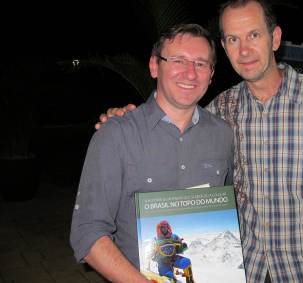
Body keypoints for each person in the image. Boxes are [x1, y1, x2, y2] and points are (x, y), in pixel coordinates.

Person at [98, 1, 303, 282]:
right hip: (245, 268)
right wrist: (126, 119)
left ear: (275, 38)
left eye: (253, 35)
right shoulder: (219, 111)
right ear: (224, 47)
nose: (245, 50)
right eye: (233, 39)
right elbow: (169, 123)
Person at [70, 23, 234, 283]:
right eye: (178, 60)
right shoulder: (116, 135)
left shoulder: (224, 135)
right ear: (154, 66)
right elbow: (87, 232)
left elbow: (226, 212)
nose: (190, 73)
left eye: (201, 64)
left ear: (211, 74)